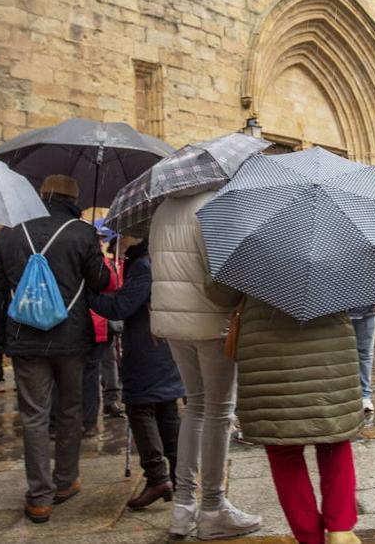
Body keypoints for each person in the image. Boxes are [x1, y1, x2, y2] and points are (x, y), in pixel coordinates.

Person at [0, 175, 111, 524]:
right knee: (70, 410)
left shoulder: (10, 231)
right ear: (73, 198)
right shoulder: (81, 231)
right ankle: (65, 480)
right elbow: (99, 283)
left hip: (24, 335)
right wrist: (97, 255)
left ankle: (38, 496)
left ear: (41, 195)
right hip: (71, 337)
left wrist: (2, 339)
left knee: (34, 415)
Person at [148, 190, 261, 541]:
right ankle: (212, 507)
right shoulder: (215, 206)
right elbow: (221, 276)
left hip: (172, 321)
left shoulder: (162, 210)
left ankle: (183, 507)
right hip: (210, 323)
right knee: (219, 411)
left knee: (195, 406)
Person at [234, 295, 364, 544]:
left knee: (282, 450)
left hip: (267, 352)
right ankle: (340, 529)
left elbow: (219, 296)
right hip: (329, 348)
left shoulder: (239, 256)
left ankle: (308, 537)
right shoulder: (336, 254)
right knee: (334, 440)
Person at [85, 236, 184, 510]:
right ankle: (179, 477)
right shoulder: (165, 257)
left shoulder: (143, 265)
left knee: (141, 409)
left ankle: (157, 478)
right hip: (165, 345)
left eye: (123, 235)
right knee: (167, 411)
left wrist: (89, 297)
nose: (119, 240)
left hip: (147, 348)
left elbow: (121, 307)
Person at [83, 227, 124, 436]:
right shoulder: (95, 261)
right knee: (91, 370)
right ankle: (88, 418)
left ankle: (108, 401)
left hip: (102, 323)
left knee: (105, 363)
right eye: (98, 240)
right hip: (92, 322)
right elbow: (111, 283)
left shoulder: (105, 261)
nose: (101, 243)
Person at [347, 304, 375, 412]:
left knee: (365, 355)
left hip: (367, 312)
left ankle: (365, 396)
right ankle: (352, 393)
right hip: (342, 316)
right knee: (346, 356)